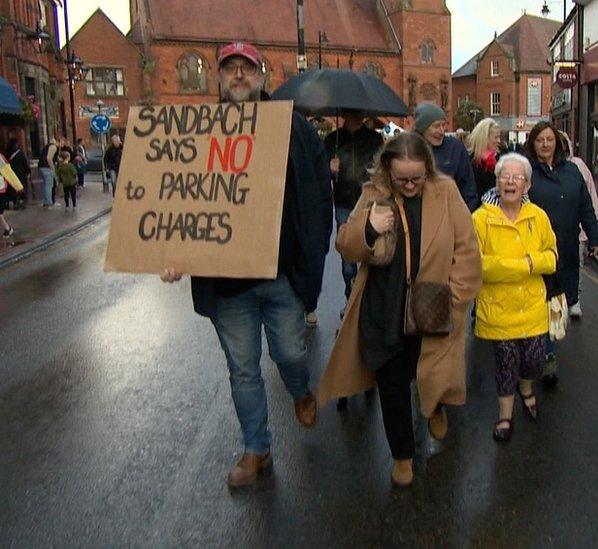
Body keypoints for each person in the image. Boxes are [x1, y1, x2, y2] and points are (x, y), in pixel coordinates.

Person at [159, 41, 333, 488]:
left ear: (261, 77)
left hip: (282, 274)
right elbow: (176, 197)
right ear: (218, 78)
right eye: (230, 68)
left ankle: (299, 389)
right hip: (228, 284)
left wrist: (314, 257)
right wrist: (172, 251)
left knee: (291, 353)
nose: (239, 75)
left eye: (247, 68)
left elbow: (317, 196)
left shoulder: (295, 129)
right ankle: (257, 447)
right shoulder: (197, 131)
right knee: (243, 369)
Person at [317, 132, 481, 488]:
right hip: (383, 308)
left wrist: (454, 299)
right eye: (401, 178)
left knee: (428, 371)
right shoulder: (373, 195)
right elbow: (345, 246)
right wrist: (369, 230)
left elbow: (468, 250)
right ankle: (402, 456)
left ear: (429, 170)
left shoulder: (447, 192)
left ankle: (434, 403)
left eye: (416, 178)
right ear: (387, 170)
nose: (409, 185)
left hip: (431, 305)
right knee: (392, 385)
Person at [472, 153, 557, 441]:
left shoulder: (539, 217)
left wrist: (532, 264)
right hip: (498, 308)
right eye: (504, 177)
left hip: (532, 305)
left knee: (534, 359)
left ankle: (526, 388)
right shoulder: (480, 219)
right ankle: (505, 416)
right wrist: (522, 266)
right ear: (496, 182)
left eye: (516, 177)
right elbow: (477, 265)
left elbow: (552, 257)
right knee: (505, 361)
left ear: (527, 185)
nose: (510, 182)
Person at [524, 121, 598, 387]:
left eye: (550, 139)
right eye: (540, 140)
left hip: (566, 248)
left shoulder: (572, 171)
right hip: (534, 252)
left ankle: (545, 345)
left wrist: (595, 237)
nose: (545, 144)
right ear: (532, 144)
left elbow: (586, 207)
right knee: (539, 301)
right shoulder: (526, 173)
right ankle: (545, 354)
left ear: (557, 143)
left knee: (557, 302)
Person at [325, 109, 384, 303]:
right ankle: (351, 299)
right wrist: (329, 168)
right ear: (344, 115)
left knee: (371, 253)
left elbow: (383, 167)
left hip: (369, 201)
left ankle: (367, 300)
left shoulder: (374, 139)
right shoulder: (332, 140)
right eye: (353, 113)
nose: (358, 117)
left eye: (359, 113)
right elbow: (318, 174)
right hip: (343, 202)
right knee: (348, 257)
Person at [558, 130, 598, 319]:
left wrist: (594, 231)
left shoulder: (576, 165)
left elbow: (588, 198)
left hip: (575, 228)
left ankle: (574, 299)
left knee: (575, 263)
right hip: (553, 228)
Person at [413, 102, 479, 211]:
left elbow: (469, 190)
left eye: (443, 125)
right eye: (436, 126)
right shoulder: (409, 148)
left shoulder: (456, 148)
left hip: (451, 214)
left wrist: (462, 217)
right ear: (422, 128)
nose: (442, 131)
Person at [468, 117, 502, 199]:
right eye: (496, 137)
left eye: (499, 137)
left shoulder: (500, 159)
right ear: (484, 138)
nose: (499, 141)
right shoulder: (469, 160)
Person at [5, 138, 29, 210]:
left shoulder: (6, 153)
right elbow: (25, 163)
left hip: (10, 173)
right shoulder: (20, 153)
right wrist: (28, 171)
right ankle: (20, 202)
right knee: (20, 187)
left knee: (12, 188)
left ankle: (15, 202)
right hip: (20, 173)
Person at [39, 137, 58, 207]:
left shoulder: (46, 147)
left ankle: (45, 201)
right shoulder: (53, 147)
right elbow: (49, 158)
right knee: (49, 186)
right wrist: (52, 168)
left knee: (45, 186)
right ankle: (49, 202)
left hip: (41, 167)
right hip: (47, 168)